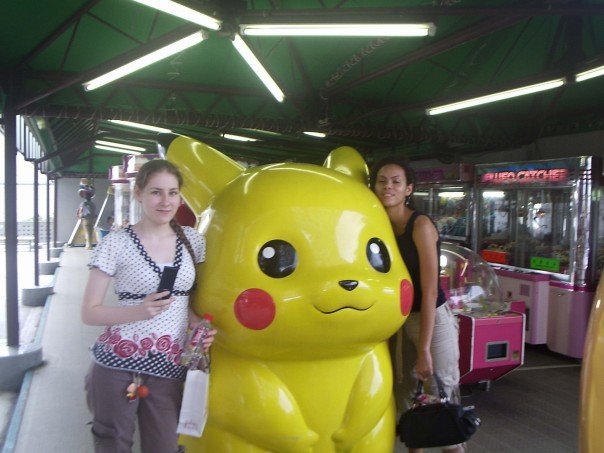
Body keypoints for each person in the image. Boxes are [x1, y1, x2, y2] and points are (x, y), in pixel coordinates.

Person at [81, 159, 215, 453]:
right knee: (113, 442)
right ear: (138, 193)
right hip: (116, 362)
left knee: (165, 445)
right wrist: (139, 311)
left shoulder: (193, 241)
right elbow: (89, 311)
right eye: (156, 192)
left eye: (173, 192)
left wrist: (196, 323)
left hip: (169, 365)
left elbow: (188, 300)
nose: (165, 201)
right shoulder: (116, 243)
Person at [371, 156, 463, 453]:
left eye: (396, 182)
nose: (388, 187)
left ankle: (454, 448)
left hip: (430, 317)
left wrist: (423, 348)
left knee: (440, 389)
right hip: (397, 318)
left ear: (408, 189)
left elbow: (429, 288)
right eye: (382, 181)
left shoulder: (419, 225)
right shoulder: (376, 225)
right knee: (404, 392)